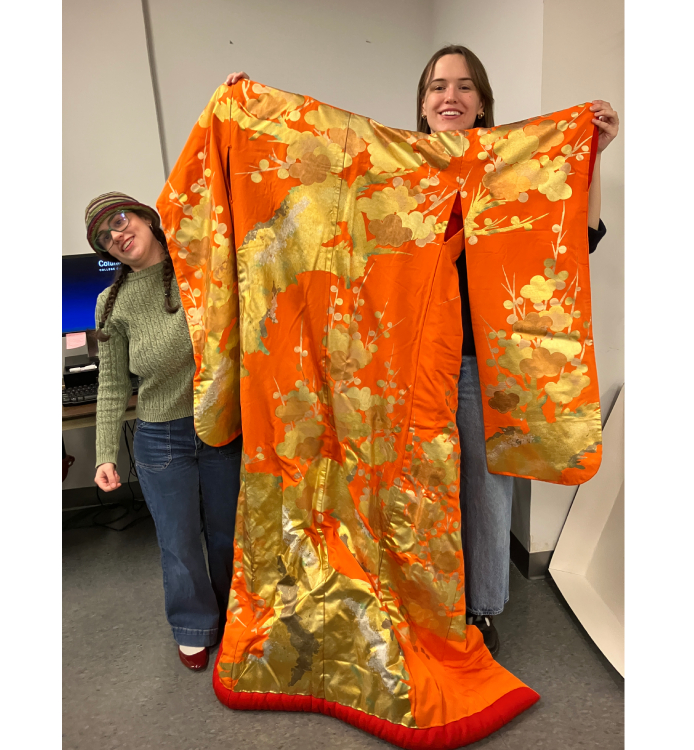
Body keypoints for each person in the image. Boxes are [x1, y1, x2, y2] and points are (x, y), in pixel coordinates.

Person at [223, 49, 618, 656]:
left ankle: (480, 613)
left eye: (463, 86)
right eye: (438, 87)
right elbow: (320, 188)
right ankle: (422, 602)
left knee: (484, 489)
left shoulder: (510, 169)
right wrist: (252, 114)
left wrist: (590, 156)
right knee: (408, 483)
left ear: (482, 100)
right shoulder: (397, 169)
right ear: (423, 100)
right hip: (399, 359)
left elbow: (572, 242)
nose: (449, 96)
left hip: (480, 362)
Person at [85, 191, 243, 673]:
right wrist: (104, 454)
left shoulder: (198, 269)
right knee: (178, 541)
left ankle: (235, 616)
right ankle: (194, 626)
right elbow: (112, 385)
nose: (117, 235)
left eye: (121, 220)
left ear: (147, 219)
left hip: (219, 422)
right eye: (104, 236)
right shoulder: (110, 303)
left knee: (226, 534)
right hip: (160, 435)